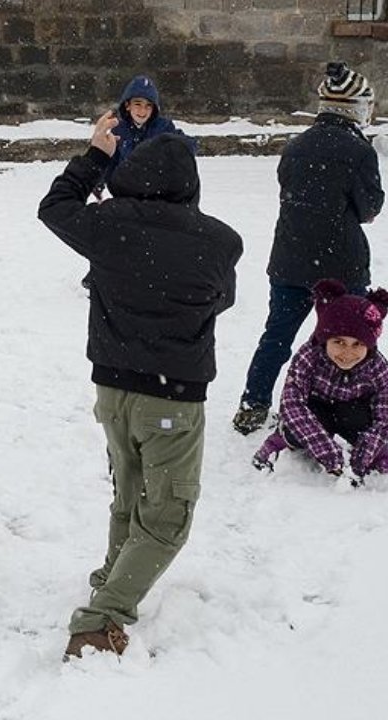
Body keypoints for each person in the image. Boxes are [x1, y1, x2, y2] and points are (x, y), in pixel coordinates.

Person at [38, 117, 242, 660]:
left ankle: (112, 576)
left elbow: (54, 209)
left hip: (112, 391)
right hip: (173, 396)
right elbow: (223, 299)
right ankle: (100, 619)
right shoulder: (220, 242)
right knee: (168, 516)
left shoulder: (108, 225)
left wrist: (94, 158)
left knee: (129, 495)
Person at [233, 62, 384, 435]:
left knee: (277, 336)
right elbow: (369, 208)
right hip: (342, 266)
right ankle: (343, 406)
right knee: (350, 339)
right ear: (357, 107)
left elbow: (290, 192)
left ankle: (253, 405)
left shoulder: (295, 146)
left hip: (289, 260)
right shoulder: (358, 152)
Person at [253, 280, 388, 486]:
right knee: (294, 427)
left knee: (376, 436)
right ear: (325, 339)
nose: (347, 353)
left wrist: (361, 460)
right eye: (339, 342)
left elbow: (383, 419)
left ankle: (371, 455)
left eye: (357, 344)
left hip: (353, 413)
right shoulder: (309, 356)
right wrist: (330, 455)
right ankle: (280, 441)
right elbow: (292, 404)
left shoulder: (378, 367)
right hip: (316, 410)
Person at [99, 74, 186, 193]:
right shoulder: (119, 129)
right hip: (127, 191)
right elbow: (111, 161)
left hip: (156, 192)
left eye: (148, 106)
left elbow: (185, 144)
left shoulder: (163, 127)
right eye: (137, 104)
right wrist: (99, 181)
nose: (142, 111)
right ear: (127, 105)